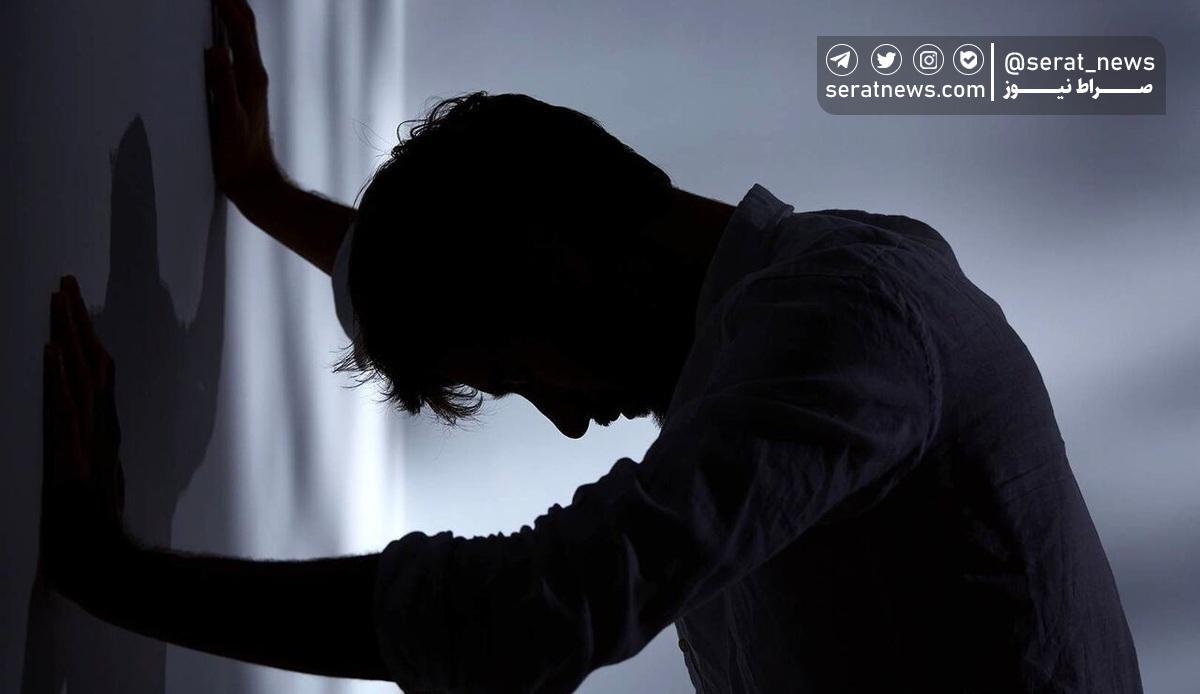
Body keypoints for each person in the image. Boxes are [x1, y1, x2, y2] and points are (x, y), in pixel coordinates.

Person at [39, 0, 1144, 691]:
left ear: (560, 260)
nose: (567, 419)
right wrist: (269, 196)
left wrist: (116, 578)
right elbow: (494, 272)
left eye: (518, 374)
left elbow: (530, 611)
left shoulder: (849, 324)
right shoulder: (775, 331)